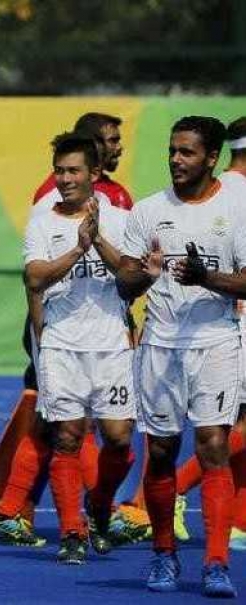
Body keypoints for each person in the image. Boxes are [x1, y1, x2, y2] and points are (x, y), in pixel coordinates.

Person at [118, 116, 243, 598]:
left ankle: (215, 563)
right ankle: (164, 555)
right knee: (164, 450)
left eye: (187, 152)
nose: (176, 159)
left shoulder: (239, 208)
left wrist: (205, 277)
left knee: (213, 444)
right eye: (172, 150)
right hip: (160, 346)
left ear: (212, 157)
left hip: (216, 342)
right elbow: (124, 283)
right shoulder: (148, 210)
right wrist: (146, 276)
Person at [20, 133, 134, 564]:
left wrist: (99, 240)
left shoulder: (122, 219)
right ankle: (71, 532)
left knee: (120, 440)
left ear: (94, 174)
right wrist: (77, 248)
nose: (64, 179)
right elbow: (34, 277)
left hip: (111, 345)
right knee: (66, 438)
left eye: (73, 171)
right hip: (62, 344)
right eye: (60, 171)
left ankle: (100, 504)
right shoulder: (41, 221)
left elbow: (131, 276)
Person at [172, 116, 246, 551]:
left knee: (232, 422)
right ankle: (162, 496)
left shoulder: (221, 189)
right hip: (235, 317)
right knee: (230, 426)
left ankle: (237, 522)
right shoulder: (237, 193)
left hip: (222, 317)